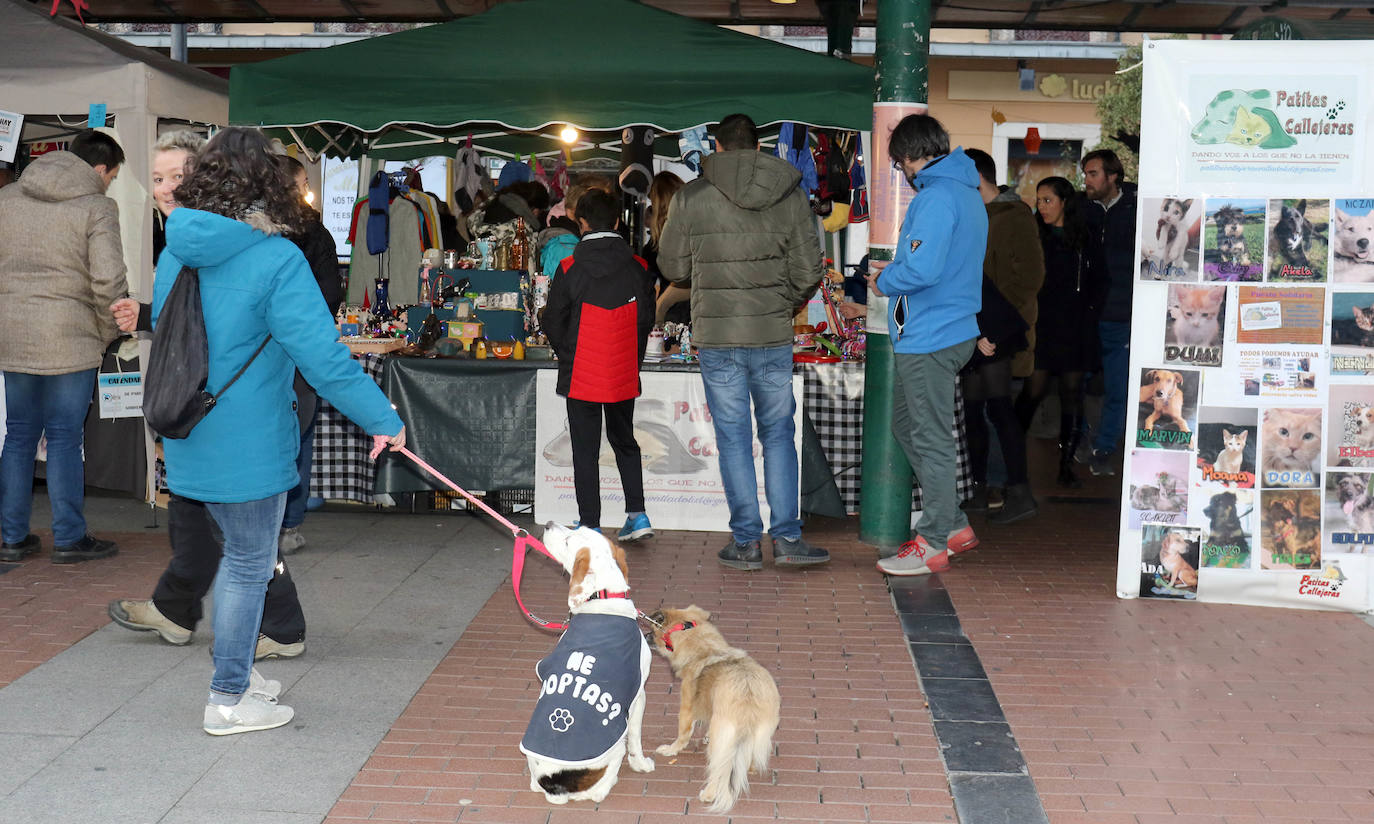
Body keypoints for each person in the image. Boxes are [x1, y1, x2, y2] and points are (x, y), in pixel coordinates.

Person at [150, 127, 404, 735]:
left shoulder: (176, 248)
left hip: (187, 428)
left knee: (241, 559)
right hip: (251, 438)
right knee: (248, 564)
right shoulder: (277, 258)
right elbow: (324, 359)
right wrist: (383, 418)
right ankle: (228, 696)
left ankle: (236, 672)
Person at [107, 137, 310, 662]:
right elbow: (194, 320)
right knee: (207, 525)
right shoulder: (182, 246)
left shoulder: (224, 247)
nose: (166, 188)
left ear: (208, 180)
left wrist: (378, 418)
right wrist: (148, 315)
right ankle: (182, 613)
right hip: (198, 409)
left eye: (178, 176)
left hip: (230, 409)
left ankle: (258, 645)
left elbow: (243, 325)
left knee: (241, 543)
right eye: (157, 178)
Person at [658, 113, 829, 570]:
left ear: (716, 145)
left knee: (733, 439)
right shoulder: (790, 194)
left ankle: (747, 543)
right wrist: (780, 303)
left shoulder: (691, 197)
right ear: (758, 147)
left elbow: (673, 267)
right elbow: (809, 270)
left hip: (717, 337)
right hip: (771, 335)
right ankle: (788, 539)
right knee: (779, 435)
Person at [0, 129, 128, 564]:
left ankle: (12, 538)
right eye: (111, 176)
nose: (109, 184)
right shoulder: (96, 206)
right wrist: (105, 332)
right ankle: (70, 538)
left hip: (13, 334)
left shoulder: (7, 199)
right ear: (99, 168)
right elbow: (109, 280)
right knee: (63, 437)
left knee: (18, 434)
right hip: (71, 336)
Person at [867, 114, 985, 577]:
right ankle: (952, 524)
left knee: (930, 438)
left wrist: (884, 280)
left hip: (930, 334)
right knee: (906, 425)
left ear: (912, 155)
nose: (903, 173)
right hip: (949, 328)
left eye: (900, 164)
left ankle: (933, 542)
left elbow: (921, 270)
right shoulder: (965, 192)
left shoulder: (936, 197)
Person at [541, 189, 656, 541]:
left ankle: (589, 523)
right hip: (622, 369)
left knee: (585, 449)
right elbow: (645, 320)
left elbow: (552, 320)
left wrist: (568, 353)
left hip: (582, 372)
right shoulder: (639, 268)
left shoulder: (569, 268)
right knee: (625, 441)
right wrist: (630, 356)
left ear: (581, 223)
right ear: (618, 222)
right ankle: (638, 515)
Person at [960, 148, 1042, 523]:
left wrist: (993, 325)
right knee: (973, 409)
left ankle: (1018, 491)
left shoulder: (1015, 216)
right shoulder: (973, 214)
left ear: (976, 177)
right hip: (976, 326)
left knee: (999, 408)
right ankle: (980, 489)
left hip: (999, 329)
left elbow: (1029, 278)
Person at [1015, 176, 1100, 488]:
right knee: (1033, 390)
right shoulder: (1034, 235)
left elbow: (1100, 280)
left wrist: (1091, 312)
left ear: (1065, 202)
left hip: (1075, 327)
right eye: (1039, 200)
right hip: (1043, 326)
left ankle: (1066, 465)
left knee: (1072, 395)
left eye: (1048, 200)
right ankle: (1010, 458)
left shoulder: (1085, 237)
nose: (1042, 206)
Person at [278, 154, 343, 555]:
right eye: (303, 183)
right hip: (303, 347)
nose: (308, 191)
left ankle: (262, 519)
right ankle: (289, 524)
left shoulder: (249, 232)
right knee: (300, 432)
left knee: (268, 430)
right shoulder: (316, 233)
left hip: (260, 349)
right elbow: (330, 294)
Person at [1079, 149, 1137, 477]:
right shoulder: (1083, 209)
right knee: (1076, 381)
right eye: (1085, 174)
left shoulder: (1135, 209)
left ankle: (1104, 448)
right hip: (1087, 314)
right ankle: (1079, 439)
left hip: (1122, 313)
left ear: (1112, 176)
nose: (1086, 181)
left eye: (1093, 174)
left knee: (1118, 387)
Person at [644, 171, 690, 325]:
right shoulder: (697, 231)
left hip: (671, 315)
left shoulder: (655, 246)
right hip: (701, 310)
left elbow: (647, 288)